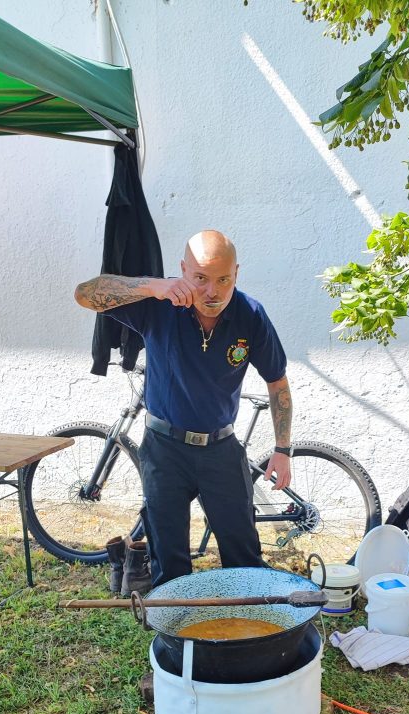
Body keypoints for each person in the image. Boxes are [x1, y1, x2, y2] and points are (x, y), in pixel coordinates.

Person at [75, 230, 293, 586]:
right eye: (201, 278)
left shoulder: (250, 315)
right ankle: (172, 621)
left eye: (223, 280)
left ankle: (247, 619)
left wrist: (282, 449)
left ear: (236, 273)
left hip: (221, 450)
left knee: (244, 558)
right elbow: (85, 294)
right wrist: (153, 286)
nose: (213, 292)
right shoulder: (158, 305)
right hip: (165, 450)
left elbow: (278, 383)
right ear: (183, 271)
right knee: (169, 563)